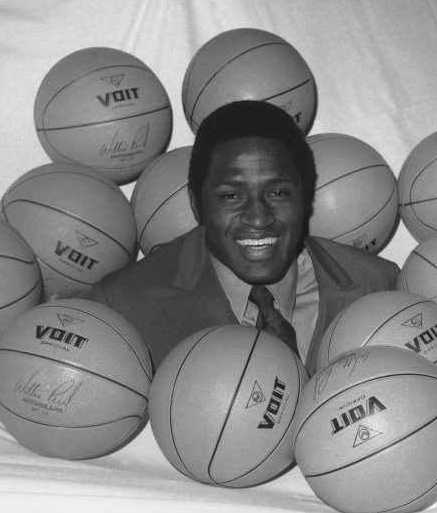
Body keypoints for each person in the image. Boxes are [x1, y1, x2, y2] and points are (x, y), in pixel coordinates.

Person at [89, 100, 399, 374]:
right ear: (197, 205)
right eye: (231, 196)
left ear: (304, 198)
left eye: (278, 193)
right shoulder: (123, 307)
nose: (259, 217)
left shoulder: (379, 286)